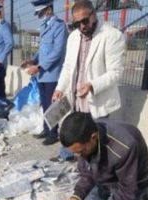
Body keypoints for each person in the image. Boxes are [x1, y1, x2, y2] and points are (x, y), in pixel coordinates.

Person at [52, 0, 125, 159]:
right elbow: (67, 66)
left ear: (93, 15)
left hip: (97, 101)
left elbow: (116, 72)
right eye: (76, 23)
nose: (81, 26)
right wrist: (59, 88)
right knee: (73, 132)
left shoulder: (112, 36)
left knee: (95, 143)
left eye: (84, 21)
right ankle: (69, 158)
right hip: (75, 99)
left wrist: (92, 85)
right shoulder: (73, 37)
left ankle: (97, 173)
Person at [59, 112, 148, 200]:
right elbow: (87, 173)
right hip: (105, 179)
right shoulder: (85, 137)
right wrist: (75, 198)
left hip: (132, 184)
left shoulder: (125, 147)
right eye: (75, 153)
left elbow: (127, 189)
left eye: (81, 151)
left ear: (93, 137)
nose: (78, 156)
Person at [22, 0, 68, 145]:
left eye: (41, 13)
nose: (39, 16)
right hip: (42, 73)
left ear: (48, 10)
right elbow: (43, 50)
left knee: (52, 105)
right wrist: (32, 61)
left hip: (52, 73)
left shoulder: (59, 26)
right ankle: (46, 129)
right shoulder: (44, 26)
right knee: (44, 103)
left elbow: (57, 52)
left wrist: (39, 67)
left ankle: (53, 134)